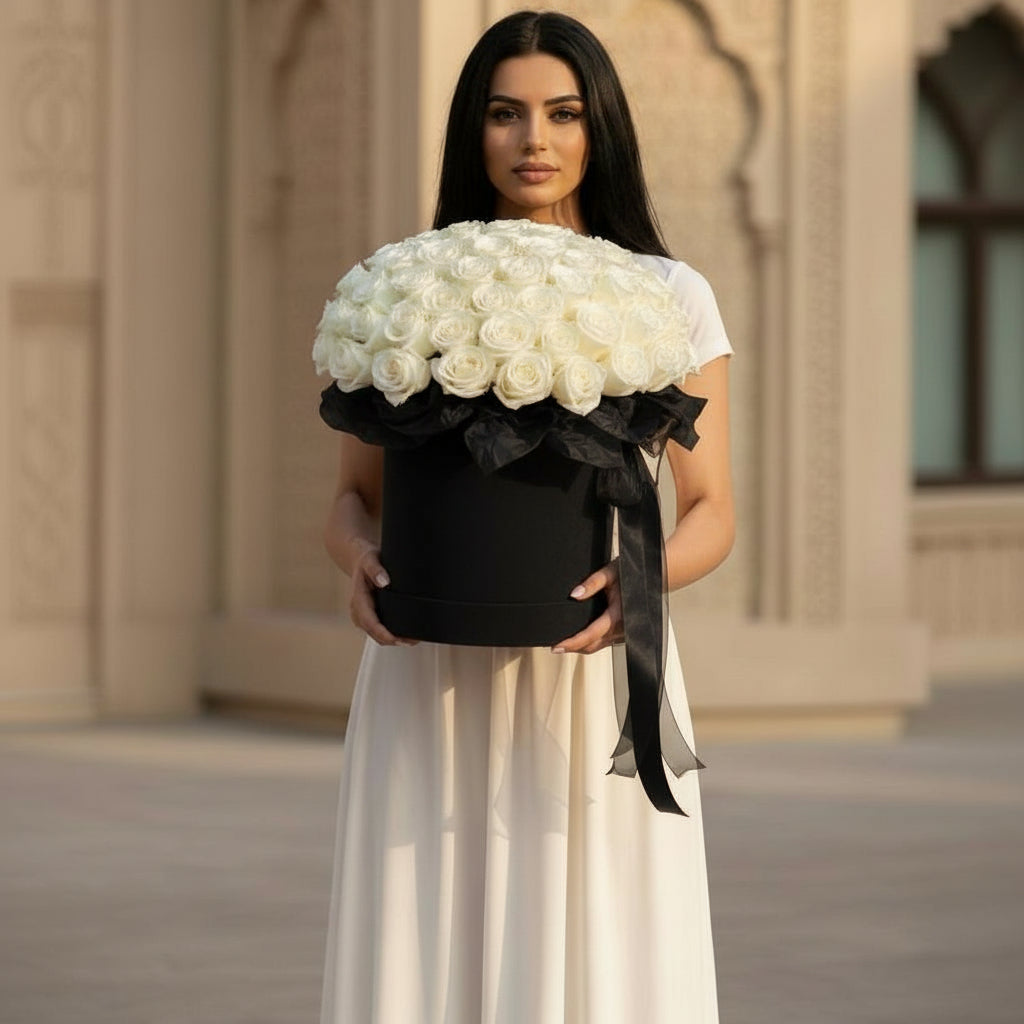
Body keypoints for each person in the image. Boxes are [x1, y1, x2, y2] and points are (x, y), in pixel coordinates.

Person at [319, 11, 734, 1024]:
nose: (533, 141)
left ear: (602, 129)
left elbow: (712, 508)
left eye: (561, 113)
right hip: (427, 664)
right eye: (505, 114)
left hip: (589, 662)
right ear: (475, 131)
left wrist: (642, 588)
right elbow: (348, 498)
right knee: (428, 921)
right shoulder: (407, 286)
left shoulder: (669, 292)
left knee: (591, 923)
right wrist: (358, 561)